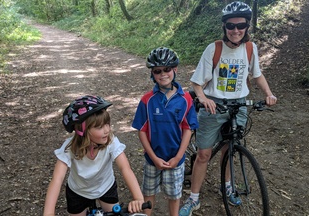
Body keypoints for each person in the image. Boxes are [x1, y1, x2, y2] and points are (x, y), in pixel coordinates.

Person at [179, 2, 277, 216]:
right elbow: (197, 83)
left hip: (239, 105)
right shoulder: (214, 49)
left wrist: (268, 94)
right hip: (214, 106)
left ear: (247, 26)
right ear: (224, 27)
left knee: (229, 149)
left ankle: (228, 187)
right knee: (204, 154)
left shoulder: (250, 48)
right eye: (230, 26)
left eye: (240, 25)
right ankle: (194, 198)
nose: (235, 30)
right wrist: (204, 98)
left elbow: (257, 74)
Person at [43, 95, 144, 216]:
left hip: (106, 186)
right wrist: (48, 212)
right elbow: (57, 179)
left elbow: (125, 168)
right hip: (78, 191)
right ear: (83, 131)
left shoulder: (111, 141)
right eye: (100, 127)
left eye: (107, 124)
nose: (107, 130)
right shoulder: (69, 148)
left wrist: (138, 198)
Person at [132, 47, 199, 216]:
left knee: (174, 195)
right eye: (157, 71)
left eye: (167, 69)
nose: (163, 74)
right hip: (152, 158)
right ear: (152, 74)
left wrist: (178, 157)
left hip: (175, 159)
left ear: (175, 70)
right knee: (149, 193)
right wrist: (154, 158)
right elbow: (141, 130)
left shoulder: (186, 99)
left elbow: (188, 129)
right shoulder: (147, 100)